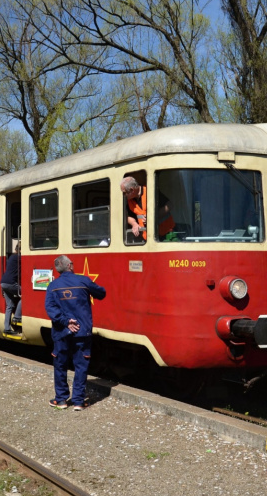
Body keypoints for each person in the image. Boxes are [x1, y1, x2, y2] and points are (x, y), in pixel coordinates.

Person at [44, 255, 106, 411]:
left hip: (61, 333)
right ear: (70, 265)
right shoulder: (83, 281)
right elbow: (102, 293)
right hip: (82, 332)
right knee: (81, 366)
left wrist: (66, 322)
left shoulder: (53, 286)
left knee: (60, 366)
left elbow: (50, 308)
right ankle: (78, 401)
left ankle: (61, 400)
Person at [120, 176, 175, 241]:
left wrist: (153, 217)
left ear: (132, 190)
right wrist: (134, 224)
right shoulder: (129, 200)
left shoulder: (150, 191)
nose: (123, 195)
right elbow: (127, 216)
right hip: (147, 238)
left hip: (167, 235)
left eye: (124, 192)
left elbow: (169, 205)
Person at [0, 241, 22, 335]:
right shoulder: (19, 258)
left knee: (9, 306)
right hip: (10, 283)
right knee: (26, 296)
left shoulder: (12, 257)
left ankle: (7, 328)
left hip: (3, 282)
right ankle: (17, 317)